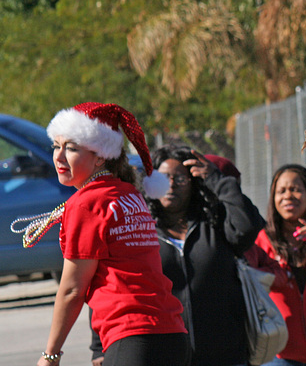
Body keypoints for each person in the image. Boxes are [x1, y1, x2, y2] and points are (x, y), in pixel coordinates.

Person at [28, 102, 189, 366]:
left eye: (71, 147)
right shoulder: (129, 194)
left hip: (134, 338)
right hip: (172, 336)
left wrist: (51, 354)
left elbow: (72, 289)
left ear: (100, 155)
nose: (58, 156)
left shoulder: (86, 203)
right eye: (56, 146)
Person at [91, 144, 266, 366]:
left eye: (181, 179)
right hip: (163, 353)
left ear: (193, 183)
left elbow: (247, 227)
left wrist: (217, 180)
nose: (172, 185)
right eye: (163, 178)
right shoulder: (137, 230)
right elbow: (110, 286)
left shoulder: (214, 223)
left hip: (225, 353)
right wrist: (99, 346)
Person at [252, 164, 306, 366]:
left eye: (296, 189)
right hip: (278, 355)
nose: (288, 195)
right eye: (281, 191)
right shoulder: (262, 240)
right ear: (273, 198)